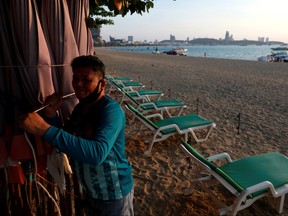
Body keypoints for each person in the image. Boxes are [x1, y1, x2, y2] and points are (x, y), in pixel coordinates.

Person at [19, 55, 134, 216]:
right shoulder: (80, 109)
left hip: (114, 194)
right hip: (90, 191)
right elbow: (68, 138)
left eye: (86, 80)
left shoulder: (110, 111)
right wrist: (51, 116)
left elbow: (97, 153)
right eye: (75, 79)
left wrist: (43, 129)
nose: (78, 84)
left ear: (102, 84)